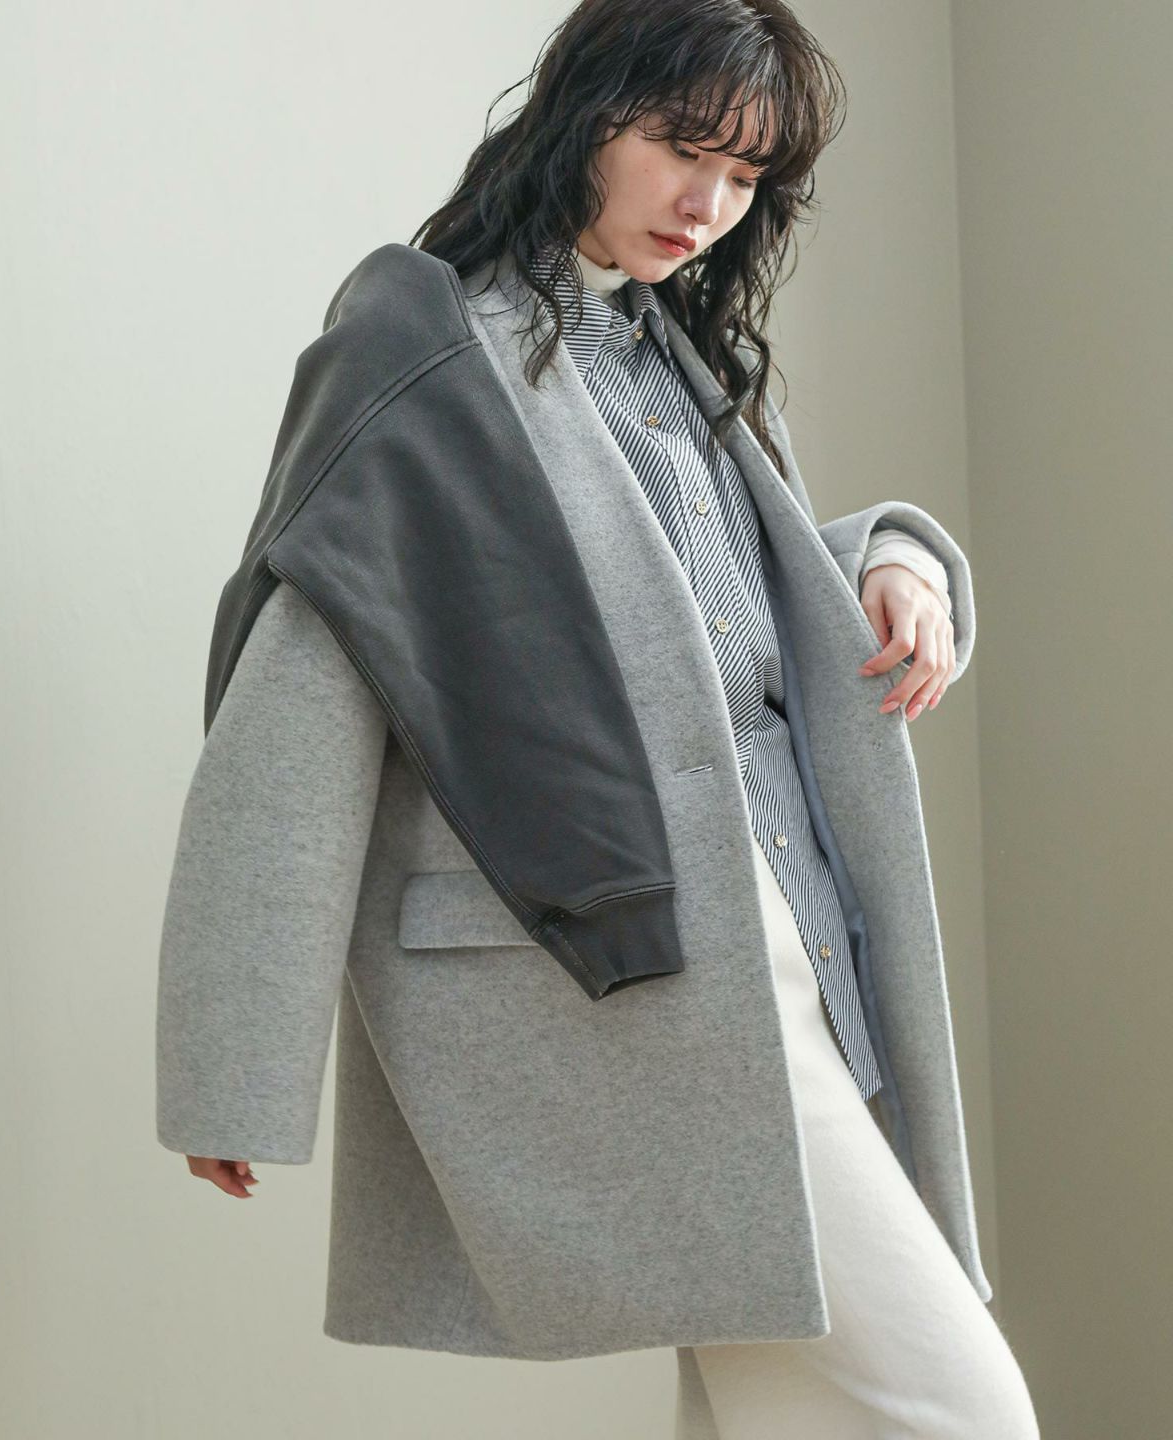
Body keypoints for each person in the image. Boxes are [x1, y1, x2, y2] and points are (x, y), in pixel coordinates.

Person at [156, 1, 1041, 1434]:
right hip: (631, 972)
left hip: (798, 945)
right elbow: (296, 717)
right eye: (683, 148)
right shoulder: (430, 367)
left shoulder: (675, 354)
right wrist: (234, 1063)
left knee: (776, 1412)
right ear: (586, 114)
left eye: (745, 176)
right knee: (958, 1412)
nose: (709, 204)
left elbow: (701, 615)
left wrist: (897, 557)